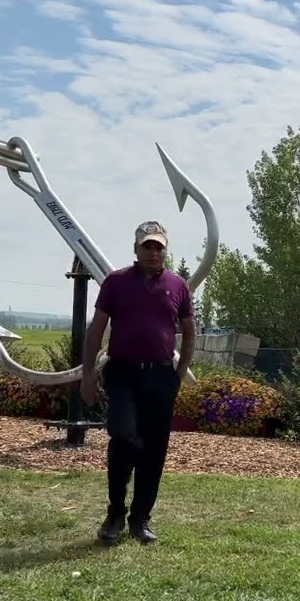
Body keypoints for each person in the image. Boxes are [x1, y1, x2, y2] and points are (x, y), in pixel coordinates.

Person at [81, 220, 195, 544]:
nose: (153, 252)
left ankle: (140, 519)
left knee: (155, 449)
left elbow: (189, 331)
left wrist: (179, 372)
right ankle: (115, 513)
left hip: (161, 377)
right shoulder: (116, 282)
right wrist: (88, 375)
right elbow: (96, 329)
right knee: (123, 436)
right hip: (122, 374)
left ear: (165, 250)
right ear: (136, 249)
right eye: (147, 245)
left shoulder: (178, 286)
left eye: (158, 246)